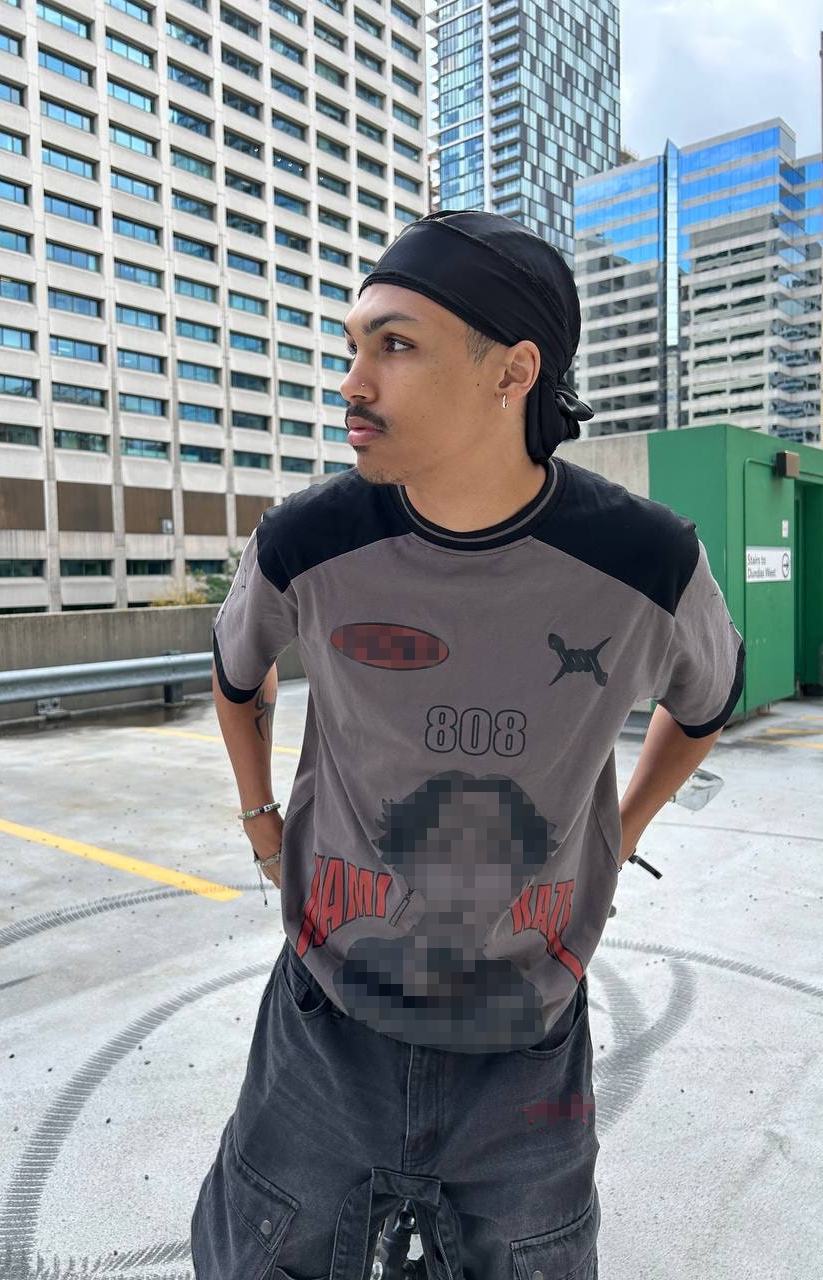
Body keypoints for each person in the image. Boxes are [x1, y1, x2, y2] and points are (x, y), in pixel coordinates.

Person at [190, 210, 745, 1279]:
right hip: (323, 1017)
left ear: (514, 371)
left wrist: (622, 829)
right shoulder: (307, 539)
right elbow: (236, 671)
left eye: (395, 345)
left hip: (528, 1039)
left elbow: (707, 701)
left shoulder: (645, 562)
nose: (353, 382)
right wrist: (263, 823)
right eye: (353, 345)